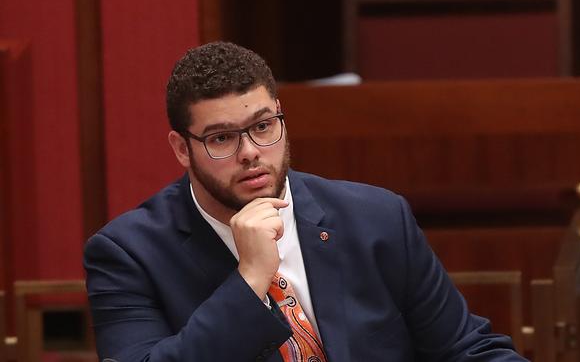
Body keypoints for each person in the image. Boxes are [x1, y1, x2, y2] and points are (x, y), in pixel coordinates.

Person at [84, 41, 528, 362]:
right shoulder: (128, 253)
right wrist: (250, 278)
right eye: (222, 138)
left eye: (262, 126)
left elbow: (467, 349)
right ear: (182, 149)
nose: (251, 152)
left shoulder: (376, 218)